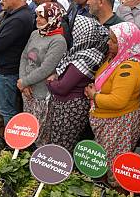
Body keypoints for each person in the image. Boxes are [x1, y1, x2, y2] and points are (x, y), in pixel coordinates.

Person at [84, 22, 140, 180]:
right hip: (106, 119)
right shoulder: (117, 59)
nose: (108, 43)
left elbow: (118, 101)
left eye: (114, 41)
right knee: (103, 162)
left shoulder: (129, 67)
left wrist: (95, 96)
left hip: (118, 122)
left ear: (126, 44)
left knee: (112, 167)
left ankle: (111, 194)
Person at [47, 15, 109, 150]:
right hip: (65, 106)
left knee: (62, 146)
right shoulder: (81, 51)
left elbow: (62, 87)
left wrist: (49, 82)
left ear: (83, 34)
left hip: (70, 109)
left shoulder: (86, 57)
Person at [18, 2, 67, 145]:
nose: (37, 20)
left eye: (42, 17)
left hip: (41, 92)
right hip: (27, 89)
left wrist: (25, 82)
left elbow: (46, 68)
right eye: (37, 16)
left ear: (52, 18)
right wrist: (23, 82)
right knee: (27, 127)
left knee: (39, 131)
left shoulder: (58, 41)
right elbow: (24, 57)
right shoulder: (35, 33)